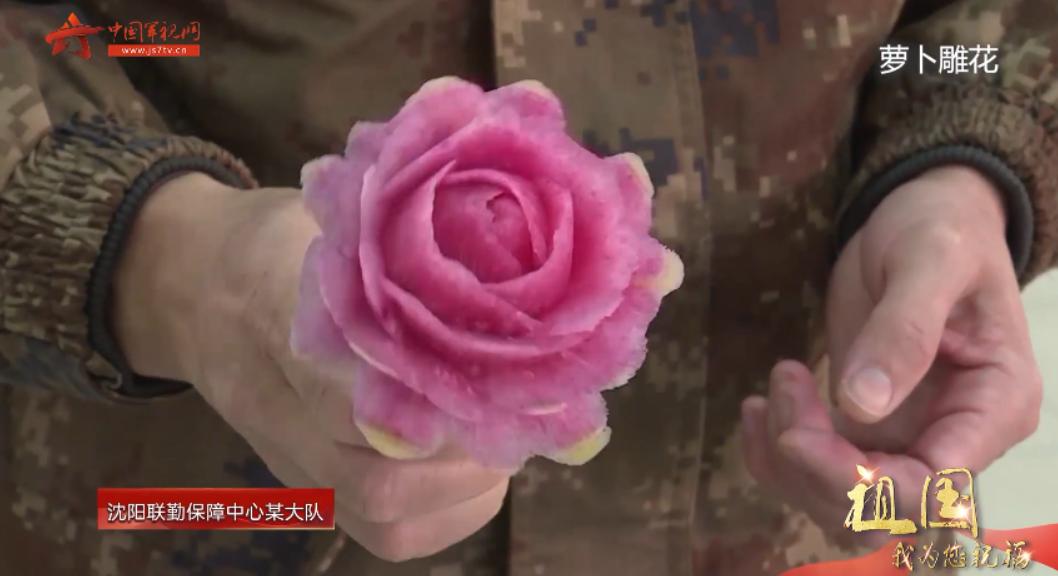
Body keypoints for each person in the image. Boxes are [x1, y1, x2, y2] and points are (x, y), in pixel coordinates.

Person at [0, 1, 1052, 574]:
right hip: (179, 521)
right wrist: (169, 262)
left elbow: (974, 35)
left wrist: (959, 170)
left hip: (778, 527)